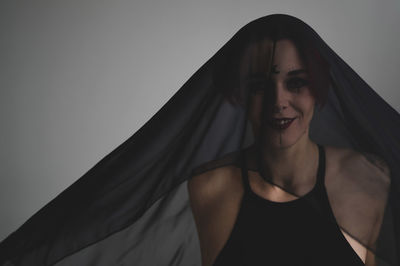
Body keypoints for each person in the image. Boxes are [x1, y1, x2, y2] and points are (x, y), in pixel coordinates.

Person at [0, 14, 398, 266]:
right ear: (239, 95)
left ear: (320, 91)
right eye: (260, 86)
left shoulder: (370, 177)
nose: (279, 102)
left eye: (297, 83)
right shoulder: (210, 186)